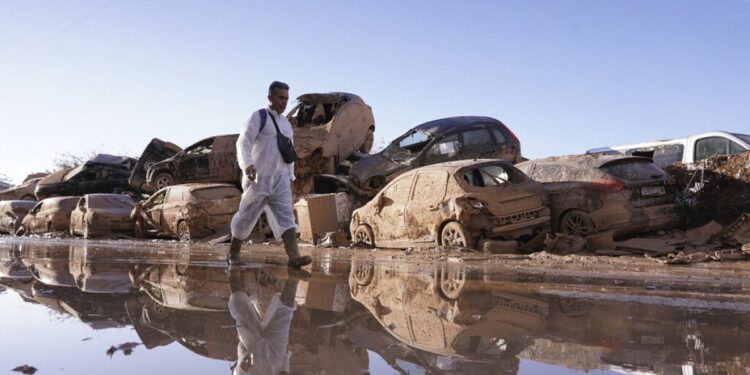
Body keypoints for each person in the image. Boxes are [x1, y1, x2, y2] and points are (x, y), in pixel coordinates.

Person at [227, 81, 312, 267]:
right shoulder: (259, 117)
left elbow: (288, 152)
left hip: (280, 180)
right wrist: (247, 164)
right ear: (270, 97)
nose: (284, 102)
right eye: (281, 98)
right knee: (246, 216)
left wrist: (290, 176)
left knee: (287, 217)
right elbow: (243, 143)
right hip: (258, 179)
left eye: (287, 99)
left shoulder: (286, 125)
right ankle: (233, 253)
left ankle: (294, 257)